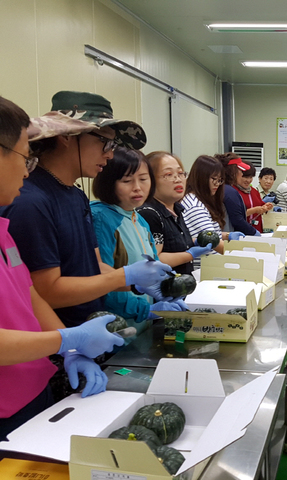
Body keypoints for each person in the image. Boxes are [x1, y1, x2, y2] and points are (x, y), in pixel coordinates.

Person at [0, 96, 125, 440]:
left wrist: (69, 349)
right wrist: (65, 339)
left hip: (33, 383)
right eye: (25, 157)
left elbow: (28, 294)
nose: (28, 170)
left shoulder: (2, 227)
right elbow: (48, 288)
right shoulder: (30, 203)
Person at [0, 91, 172, 328]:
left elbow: (92, 266)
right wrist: (124, 276)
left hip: (88, 330)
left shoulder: (76, 195)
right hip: (56, 339)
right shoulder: (31, 201)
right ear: (68, 136)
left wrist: (135, 283)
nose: (110, 155)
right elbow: (46, 292)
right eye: (105, 142)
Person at [91, 147, 187, 329]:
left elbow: (152, 264)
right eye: (127, 180)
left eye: (143, 179)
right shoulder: (101, 218)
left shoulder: (138, 218)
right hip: (116, 327)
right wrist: (147, 309)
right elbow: (100, 283)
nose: (137, 187)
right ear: (108, 182)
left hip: (142, 325)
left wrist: (166, 288)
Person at [138, 151, 221, 275]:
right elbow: (154, 258)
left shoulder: (177, 209)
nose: (178, 179)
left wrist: (193, 242)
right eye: (168, 174)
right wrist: (190, 255)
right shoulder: (150, 213)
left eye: (181, 173)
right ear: (150, 180)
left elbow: (173, 243)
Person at [179, 154, 244, 242]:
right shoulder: (195, 206)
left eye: (220, 180)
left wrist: (226, 235)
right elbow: (211, 242)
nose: (217, 184)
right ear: (201, 177)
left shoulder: (198, 200)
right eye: (214, 179)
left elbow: (208, 234)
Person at [218, 153, 260, 235]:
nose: (241, 174)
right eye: (240, 171)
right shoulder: (229, 192)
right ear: (232, 171)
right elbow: (237, 220)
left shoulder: (222, 189)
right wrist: (254, 233)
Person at [233, 164, 274, 233]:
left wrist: (266, 206)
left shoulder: (254, 191)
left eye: (251, 177)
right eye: (245, 177)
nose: (248, 180)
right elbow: (236, 216)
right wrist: (255, 210)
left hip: (257, 230)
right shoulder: (233, 192)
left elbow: (260, 205)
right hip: (241, 232)